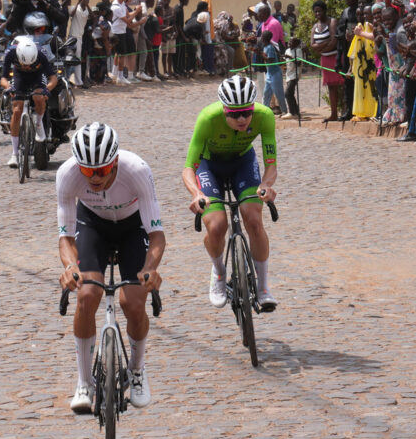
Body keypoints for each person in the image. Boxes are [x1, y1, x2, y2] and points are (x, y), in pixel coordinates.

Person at [56, 123, 165, 413]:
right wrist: (69, 267)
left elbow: (156, 235)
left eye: (101, 171)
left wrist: (151, 268)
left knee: (132, 301)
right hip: (92, 225)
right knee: (87, 295)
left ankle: (138, 370)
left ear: (115, 162)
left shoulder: (137, 170)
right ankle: (84, 382)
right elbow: (65, 237)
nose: (93, 178)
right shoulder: (67, 175)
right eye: (87, 171)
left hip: (133, 227)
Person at [182, 75, 279, 312]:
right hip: (209, 165)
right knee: (216, 226)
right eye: (234, 114)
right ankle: (218, 272)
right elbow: (188, 167)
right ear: (224, 110)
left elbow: (271, 164)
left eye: (247, 112)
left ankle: (263, 287)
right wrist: (196, 194)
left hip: (242, 163)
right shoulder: (207, 118)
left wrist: (266, 185)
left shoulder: (265, 116)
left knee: (254, 220)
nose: (242, 119)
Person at [2, 36, 56, 168]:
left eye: (29, 64)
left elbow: (53, 78)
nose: (26, 67)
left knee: (38, 97)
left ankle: (38, 124)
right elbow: (3, 78)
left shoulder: (41, 53)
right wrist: (8, 88)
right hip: (19, 77)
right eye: (23, 64)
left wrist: (47, 90)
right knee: (17, 110)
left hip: (38, 76)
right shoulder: (10, 52)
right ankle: (14, 154)